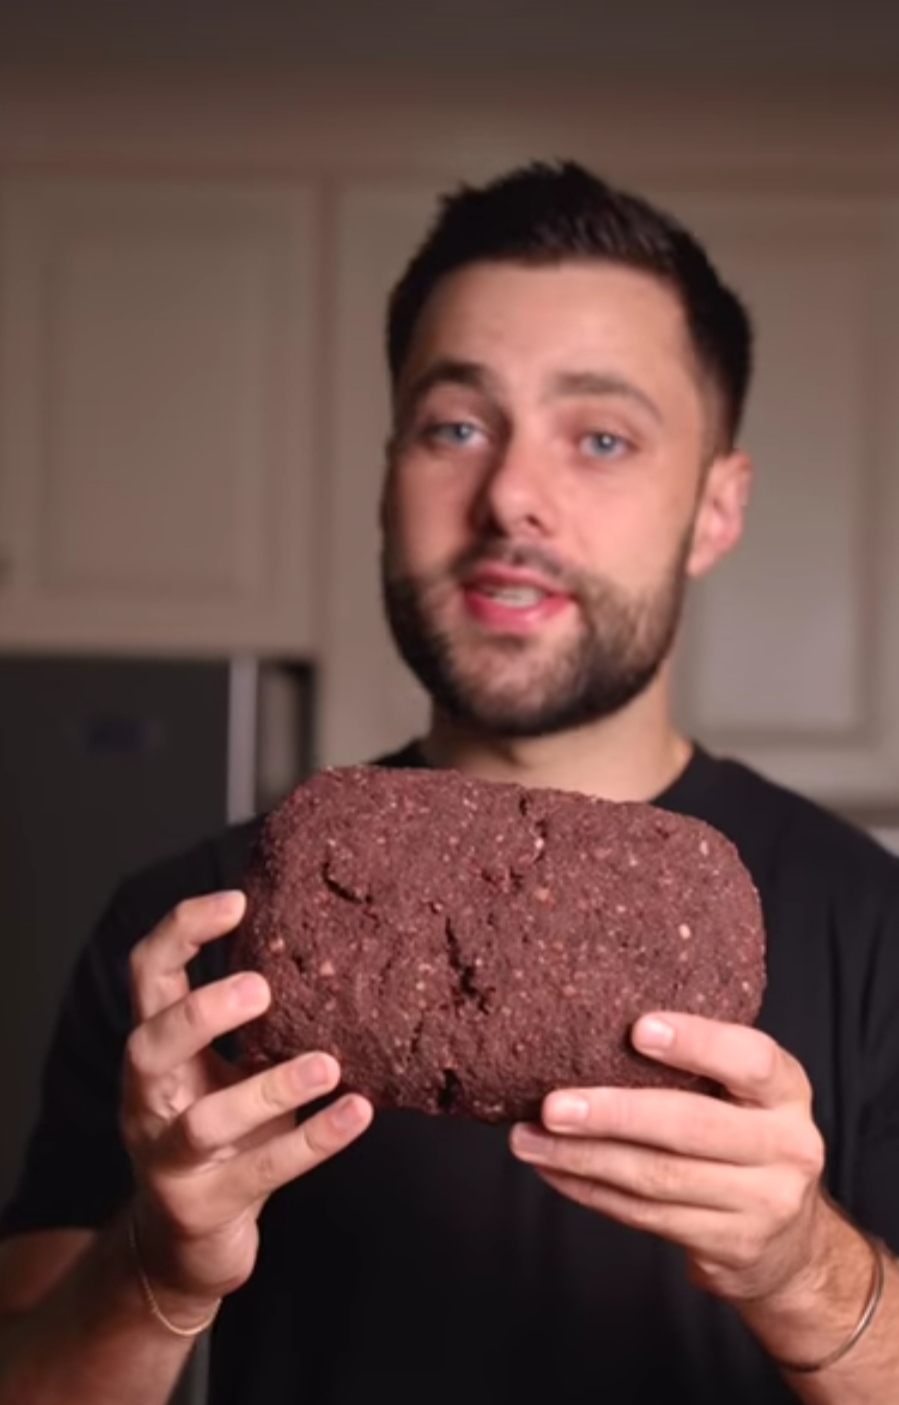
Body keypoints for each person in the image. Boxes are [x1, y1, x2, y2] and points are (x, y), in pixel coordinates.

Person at [0, 162, 897, 1405]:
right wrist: (155, 1265)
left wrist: (805, 1271)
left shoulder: (873, 931)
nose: (510, 497)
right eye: (455, 426)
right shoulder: (187, 941)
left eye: (599, 436)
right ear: (387, 480)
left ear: (714, 507)